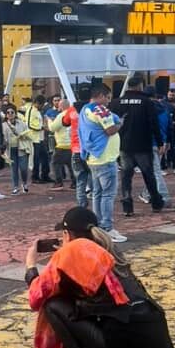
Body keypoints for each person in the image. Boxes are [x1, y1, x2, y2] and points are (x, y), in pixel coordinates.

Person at [25, 207, 175, 348]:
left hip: (127, 342)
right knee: (79, 307)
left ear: (66, 234)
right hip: (153, 347)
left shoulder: (73, 250)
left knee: (53, 306)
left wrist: (30, 265)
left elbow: (37, 295)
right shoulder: (107, 248)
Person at [78, 84, 127, 243]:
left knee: (98, 193)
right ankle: (107, 228)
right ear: (100, 96)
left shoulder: (85, 110)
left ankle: (97, 225)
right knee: (108, 194)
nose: (108, 101)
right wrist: (120, 123)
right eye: (107, 97)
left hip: (94, 158)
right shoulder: (99, 109)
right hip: (105, 158)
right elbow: (110, 130)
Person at [109, 78, 164, 216]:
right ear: (140, 86)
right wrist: (160, 142)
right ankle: (156, 202)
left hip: (123, 145)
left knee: (126, 176)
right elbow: (154, 124)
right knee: (148, 175)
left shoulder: (116, 102)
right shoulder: (147, 102)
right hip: (142, 144)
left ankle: (127, 206)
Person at [139, 89, 172, 208]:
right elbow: (169, 126)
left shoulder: (145, 109)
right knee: (152, 171)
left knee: (155, 171)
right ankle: (147, 193)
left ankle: (164, 196)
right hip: (161, 142)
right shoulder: (164, 109)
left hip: (150, 144)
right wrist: (167, 141)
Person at [2, 106, 32, 195]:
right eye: (8, 112)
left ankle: (24, 183)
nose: (10, 114)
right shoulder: (3, 125)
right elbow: (3, 137)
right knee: (14, 169)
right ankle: (15, 187)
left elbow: (29, 135)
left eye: (12, 112)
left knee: (23, 168)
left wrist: (22, 135)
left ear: (15, 113)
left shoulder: (22, 123)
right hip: (10, 149)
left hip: (21, 148)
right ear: (6, 115)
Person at [49, 99, 74, 192]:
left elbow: (52, 128)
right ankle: (74, 182)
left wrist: (49, 121)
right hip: (72, 144)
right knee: (71, 165)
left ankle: (58, 182)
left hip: (62, 144)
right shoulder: (74, 113)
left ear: (62, 106)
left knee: (55, 163)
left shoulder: (61, 115)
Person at [26, 95, 52, 184]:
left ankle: (45, 175)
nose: (42, 107)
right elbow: (29, 124)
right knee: (35, 159)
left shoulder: (37, 111)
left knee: (45, 157)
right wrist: (41, 127)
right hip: (34, 139)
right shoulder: (30, 110)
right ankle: (35, 176)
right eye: (41, 105)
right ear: (37, 103)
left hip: (40, 138)